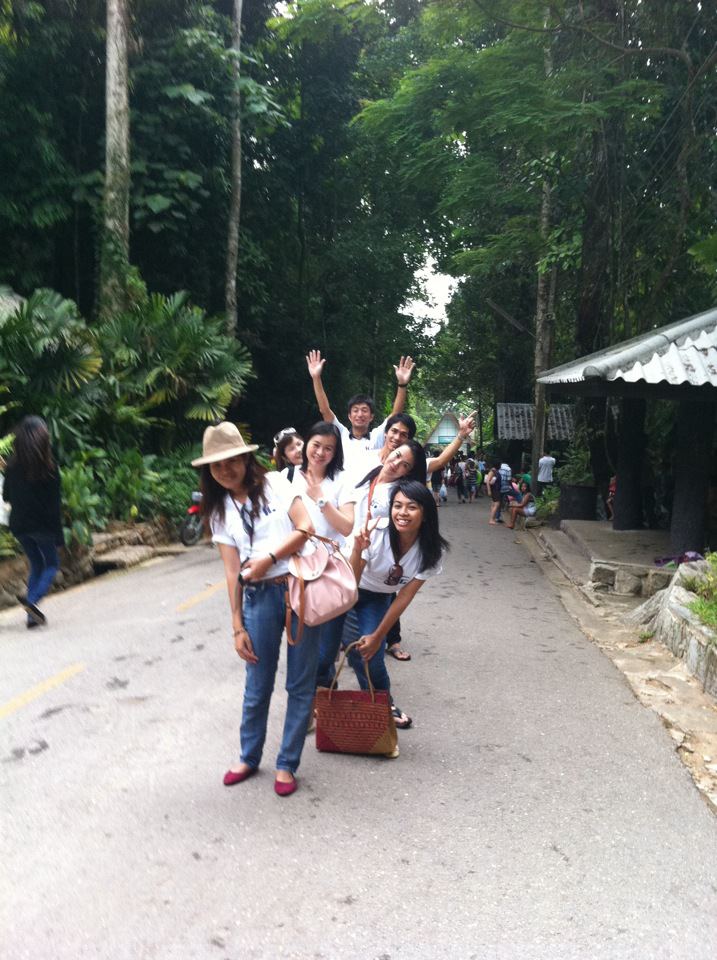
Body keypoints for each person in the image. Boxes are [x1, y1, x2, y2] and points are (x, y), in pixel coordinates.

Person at [193, 421, 320, 798]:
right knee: (257, 682)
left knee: (300, 682)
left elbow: (306, 527)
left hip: (297, 589)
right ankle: (249, 756)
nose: (225, 470)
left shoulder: (278, 484)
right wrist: (237, 626)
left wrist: (269, 558)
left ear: (246, 459)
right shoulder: (219, 510)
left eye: (231, 460)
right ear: (209, 471)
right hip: (258, 599)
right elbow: (231, 571)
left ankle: (287, 763)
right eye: (217, 465)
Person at [345, 480, 449, 729]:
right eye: (397, 505)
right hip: (345, 592)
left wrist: (378, 637)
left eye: (411, 507)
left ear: (425, 513)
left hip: (378, 597)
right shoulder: (375, 532)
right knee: (327, 653)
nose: (402, 513)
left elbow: (403, 597)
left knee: (369, 653)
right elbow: (350, 582)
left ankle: (384, 704)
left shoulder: (432, 551)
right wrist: (358, 550)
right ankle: (319, 699)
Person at [306, 349, 415, 471]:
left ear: (371, 416)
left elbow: (396, 415)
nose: (360, 414)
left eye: (364, 410)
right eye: (355, 410)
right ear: (349, 416)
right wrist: (316, 378)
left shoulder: (377, 436)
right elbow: (324, 410)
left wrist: (402, 384)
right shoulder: (341, 434)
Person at [2, 415, 63, 628]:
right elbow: (54, 506)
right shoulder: (50, 468)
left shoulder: (12, 468)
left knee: (37, 564)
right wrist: (59, 537)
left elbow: (6, 496)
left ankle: (31, 617)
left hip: (20, 527)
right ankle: (32, 601)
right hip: (42, 527)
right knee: (52, 564)